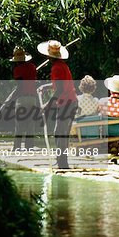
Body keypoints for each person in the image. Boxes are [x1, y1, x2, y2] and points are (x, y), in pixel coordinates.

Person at [37, 40, 78, 169]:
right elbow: (58, 84)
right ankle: (60, 160)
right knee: (59, 132)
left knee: (61, 133)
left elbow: (60, 89)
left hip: (68, 103)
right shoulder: (60, 66)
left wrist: (47, 105)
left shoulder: (57, 67)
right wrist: (46, 86)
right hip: (67, 102)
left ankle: (63, 163)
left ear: (49, 56)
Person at [10, 46, 37, 151]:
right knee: (31, 124)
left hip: (22, 98)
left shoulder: (17, 69)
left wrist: (13, 97)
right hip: (32, 98)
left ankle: (16, 147)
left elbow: (20, 86)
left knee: (19, 124)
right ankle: (29, 146)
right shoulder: (33, 67)